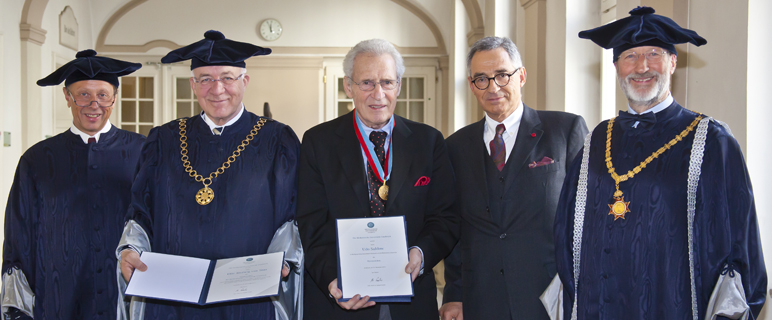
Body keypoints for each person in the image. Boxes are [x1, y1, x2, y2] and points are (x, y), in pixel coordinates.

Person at [551, 6, 766, 319]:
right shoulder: (596, 140)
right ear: (616, 67)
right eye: (630, 56)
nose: (642, 67)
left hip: (672, 306)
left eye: (653, 53)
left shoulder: (710, 141)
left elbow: (739, 245)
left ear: (673, 62)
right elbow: (566, 235)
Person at [116, 30, 300, 319]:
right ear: (193, 84)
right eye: (205, 79)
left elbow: (291, 213)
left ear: (245, 81)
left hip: (248, 298)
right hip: (173, 299)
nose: (217, 89)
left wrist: (284, 258)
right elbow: (140, 211)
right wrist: (130, 249)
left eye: (227, 77)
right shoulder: (163, 140)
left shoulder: (277, 140)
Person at [297, 39, 458, 320]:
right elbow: (311, 223)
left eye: (387, 82)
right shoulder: (317, 142)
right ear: (348, 86)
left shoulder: (428, 142)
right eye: (367, 83)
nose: (378, 94)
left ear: (398, 86)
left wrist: (421, 254)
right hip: (340, 304)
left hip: (412, 303)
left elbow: (445, 216)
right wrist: (333, 279)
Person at [438, 36, 588, 320]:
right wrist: (454, 294)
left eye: (502, 75)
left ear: (521, 76)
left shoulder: (565, 131)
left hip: (551, 299)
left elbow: (585, 217)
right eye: (481, 78)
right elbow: (456, 229)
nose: (493, 87)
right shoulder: (455, 147)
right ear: (472, 86)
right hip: (481, 301)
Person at [0, 50, 145, 319]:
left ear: (115, 96)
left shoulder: (144, 152)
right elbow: (19, 238)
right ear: (67, 97)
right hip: (57, 295)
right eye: (83, 95)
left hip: (126, 294)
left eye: (102, 94)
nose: (94, 104)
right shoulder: (37, 159)